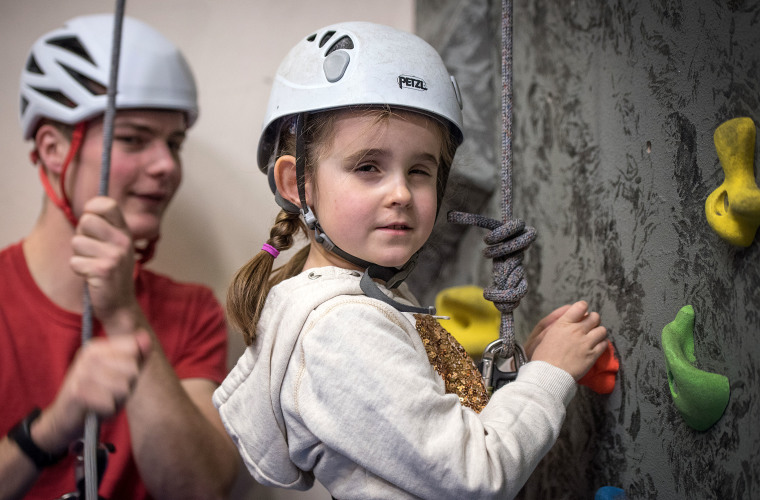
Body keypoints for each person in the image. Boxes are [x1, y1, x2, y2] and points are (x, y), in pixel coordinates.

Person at [213, 21, 609, 500]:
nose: (401, 192)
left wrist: (525, 372)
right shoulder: (341, 327)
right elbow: (475, 475)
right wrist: (551, 374)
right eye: (367, 167)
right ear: (298, 183)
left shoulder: (366, 296)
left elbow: (439, 432)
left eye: (420, 170)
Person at [0, 14, 239, 499]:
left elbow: (200, 491)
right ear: (52, 149)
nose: (166, 166)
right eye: (133, 138)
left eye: (174, 144)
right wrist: (49, 430)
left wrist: (122, 313)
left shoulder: (192, 312)